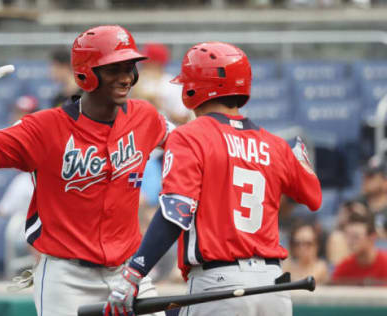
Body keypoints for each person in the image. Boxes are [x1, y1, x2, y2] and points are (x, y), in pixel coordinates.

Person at [0, 26, 173, 316]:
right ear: (85, 74)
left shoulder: (144, 116)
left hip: (129, 270)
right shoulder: (45, 127)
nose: (125, 77)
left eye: (129, 67)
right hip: (66, 277)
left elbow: (187, 146)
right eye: (114, 69)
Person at [104, 42, 322, 316]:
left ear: (194, 88)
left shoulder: (190, 135)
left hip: (218, 285)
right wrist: (301, 161)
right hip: (273, 289)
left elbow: (176, 213)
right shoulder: (274, 144)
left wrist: (133, 273)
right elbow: (313, 197)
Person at [132, 42, 191, 125]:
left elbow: (183, 119)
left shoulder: (172, 84)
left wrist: (158, 105)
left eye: (147, 61)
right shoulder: (139, 82)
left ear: (157, 63)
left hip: (167, 133)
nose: (143, 64)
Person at [331, 211, 387, 286]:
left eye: (356, 237)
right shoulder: (344, 268)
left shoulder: (385, 263)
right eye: (347, 236)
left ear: (372, 237)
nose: (350, 242)